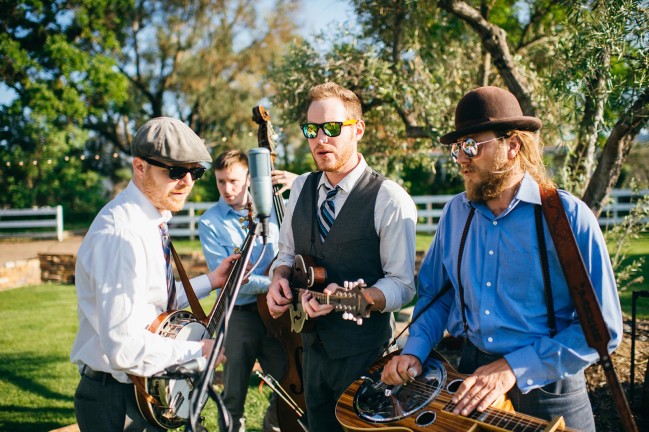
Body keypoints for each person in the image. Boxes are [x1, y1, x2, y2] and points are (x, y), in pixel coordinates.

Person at [381, 86, 623, 431]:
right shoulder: (455, 215)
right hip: (469, 379)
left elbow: (604, 329)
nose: (461, 159)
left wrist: (513, 367)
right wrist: (414, 350)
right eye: (456, 149)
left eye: (471, 147)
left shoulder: (567, 217)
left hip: (551, 389)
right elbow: (438, 295)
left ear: (513, 146)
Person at [266, 82, 418, 432]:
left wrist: (359, 299)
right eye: (312, 130)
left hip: (365, 357)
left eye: (332, 128)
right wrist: (278, 279)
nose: (321, 139)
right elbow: (286, 253)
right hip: (311, 352)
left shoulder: (389, 199)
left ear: (358, 129)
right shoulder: (301, 186)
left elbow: (402, 285)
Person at [70, 117, 236, 432]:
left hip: (144, 386)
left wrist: (212, 280)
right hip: (116, 398)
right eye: (175, 171)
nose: (187, 181)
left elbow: (155, 299)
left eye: (195, 172)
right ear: (140, 167)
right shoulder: (122, 234)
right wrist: (196, 352)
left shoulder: (151, 219)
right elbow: (123, 348)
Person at [198, 150, 287, 432]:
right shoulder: (210, 222)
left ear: (249, 178)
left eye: (234, 181)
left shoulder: (275, 209)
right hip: (239, 313)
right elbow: (231, 279)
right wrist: (275, 284)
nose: (227, 188)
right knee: (233, 392)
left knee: (288, 381)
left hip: (278, 314)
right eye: (221, 182)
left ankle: (273, 424)